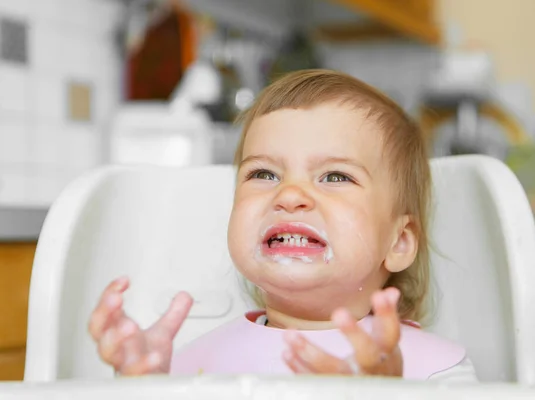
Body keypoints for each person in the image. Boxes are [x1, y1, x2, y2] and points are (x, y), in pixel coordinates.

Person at [87, 69, 478, 382]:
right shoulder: (189, 367)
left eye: (335, 177)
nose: (289, 195)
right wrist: (141, 388)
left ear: (399, 242)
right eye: (264, 174)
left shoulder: (434, 372)